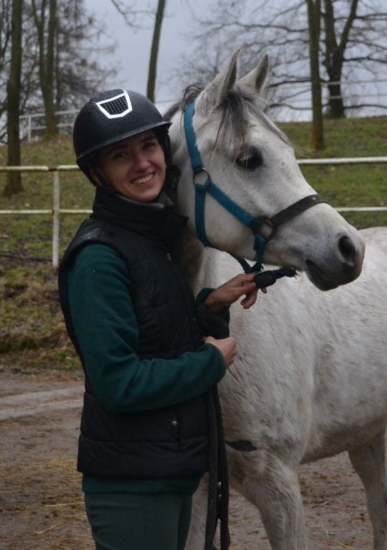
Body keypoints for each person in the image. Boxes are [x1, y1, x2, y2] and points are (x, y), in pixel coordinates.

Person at [57, 88, 261, 550]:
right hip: (132, 484)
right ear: (97, 174)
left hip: (162, 471)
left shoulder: (147, 242)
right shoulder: (100, 258)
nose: (142, 163)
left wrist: (208, 308)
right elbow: (119, 381)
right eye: (120, 155)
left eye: (148, 146)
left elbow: (154, 337)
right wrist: (209, 363)